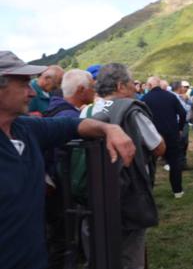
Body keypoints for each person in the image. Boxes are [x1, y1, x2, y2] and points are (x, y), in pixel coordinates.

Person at [0, 51, 135, 269]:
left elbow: (72, 126)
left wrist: (108, 127)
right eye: (23, 83)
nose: (32, 92)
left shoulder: (25, 128)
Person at [91, 63, 166, 269]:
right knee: (132, 253)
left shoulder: (86, 111)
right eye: (131, 83)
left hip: (95, 194)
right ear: (120, 86)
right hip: (128, 193)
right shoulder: (131, 111)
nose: (135, 88)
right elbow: (158, 147)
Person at [44, 69, 96, 269]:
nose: (94, 91)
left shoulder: (54, 109)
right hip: (63, 194)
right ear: (81, 90)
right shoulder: (70, 119)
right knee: (64, 242)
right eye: (92, 87)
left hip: (54, 192)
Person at [143, 76, 187, 197]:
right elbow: (183, 113)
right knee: (175, 163)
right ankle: (177, 191)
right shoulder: (171, 96)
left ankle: (149, 191)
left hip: (153, 135)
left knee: (151, 163)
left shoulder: (145, 98)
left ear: (150, 85)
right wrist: (180, 128)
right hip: (172, 133)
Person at [172, 81, 193, 170]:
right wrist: (188, 101)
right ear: (179, 87)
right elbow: (185, 110)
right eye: (182, 86)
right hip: (181, 123)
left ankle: (179, 163)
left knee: (181, 143)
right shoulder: (177, 97)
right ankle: (181, 163)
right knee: (182, 143)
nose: (183, 88)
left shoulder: (174, 96)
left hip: (179, 122)